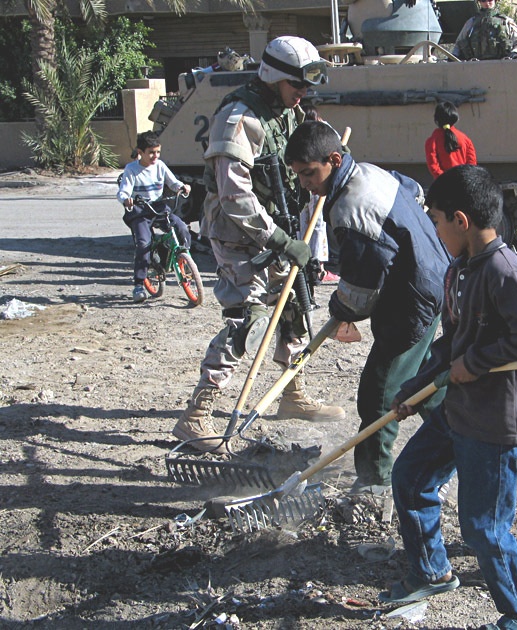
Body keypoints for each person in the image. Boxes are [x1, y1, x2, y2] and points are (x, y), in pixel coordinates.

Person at [380, 164, 517, 629]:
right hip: (456, 409)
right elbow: (452, 343)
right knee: (411, 478)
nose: (434, 229)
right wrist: (417, 387)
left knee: (484, 526)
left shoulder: (504, 271)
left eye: (436, 219)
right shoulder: (461, 269)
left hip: (490, 421)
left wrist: (473, 363)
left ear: (461, 220)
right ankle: (432, 571)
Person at [173, 36, 345, 453]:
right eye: (297, 85)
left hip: (276, 226)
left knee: (293, 309)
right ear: (274, 78)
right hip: (237, 234)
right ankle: (196, 414)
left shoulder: (286, 111)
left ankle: (292, 393)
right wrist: (281, 240)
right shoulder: (238, 117)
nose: (302, 94)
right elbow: (234, 197)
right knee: (246, 320)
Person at [285, 120, 451, 495]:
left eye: (310, 173)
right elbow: (414, 190)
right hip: (434, 278)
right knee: (425, 377)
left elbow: (360, 288)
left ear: (334, 159)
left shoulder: (351, 210)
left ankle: (374, 480)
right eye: (298, 176)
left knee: (378, 393)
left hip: (412, 300)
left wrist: (340, 308)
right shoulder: (372, 173)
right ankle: (460, 436)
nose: (305, 184)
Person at [116, 131, 191, 304]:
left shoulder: (160, 166)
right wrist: (126, 200)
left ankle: (184, 259)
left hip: (158, 207)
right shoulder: (131, 169)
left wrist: (182, 187)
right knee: (143, 244)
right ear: (140, 152)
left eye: (157, 152)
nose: (155, 156)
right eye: (151, 152)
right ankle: (139, 285)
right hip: (139, 210)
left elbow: (173, 183)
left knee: (181, 227)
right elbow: (123, 191)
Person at [299, 104, 339, 283]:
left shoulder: (298, 133)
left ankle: (306, 265)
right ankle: (318, 268)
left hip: (302, 186)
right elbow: (337, 140)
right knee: (317, 224)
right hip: (316, 184)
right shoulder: (320, 134)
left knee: (304, 223)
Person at [452, 0, 517, 61]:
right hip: (476, 66)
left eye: (490, 0)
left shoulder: (506, 21)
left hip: (504, 65)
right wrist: (453, 57)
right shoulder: (471, 23)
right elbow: (459, 45)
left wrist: (515, 54)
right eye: (483, 1)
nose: (487, 3)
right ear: (479, 2)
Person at [425, 101, 477, 179]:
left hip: (444, 184)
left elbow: (433, 165)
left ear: (437, 119)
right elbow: (471, 163)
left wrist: (444, 179)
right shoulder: (465, 139)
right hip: (464, 182)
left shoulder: (432, 141)